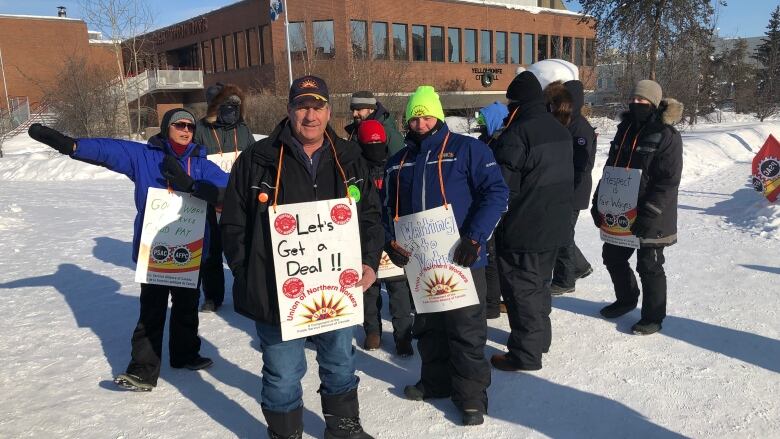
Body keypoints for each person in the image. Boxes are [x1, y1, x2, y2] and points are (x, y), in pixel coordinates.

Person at [220, 75, 382, 439]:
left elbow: (370, 215)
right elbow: (232, 225)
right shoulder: (257, 160)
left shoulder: (349, 158)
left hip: (336, 289)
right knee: (282, 371)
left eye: (318, 106)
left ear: (329, 110)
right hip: (278, 295)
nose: (311, 116)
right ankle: (285, 433)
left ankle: (343, 427)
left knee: (341, 361)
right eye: (302, 106)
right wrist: (250, 274)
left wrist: (369, 260)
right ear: (289, 110)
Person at [27, 108, 229, 391]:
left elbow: (228, 190)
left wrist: (193, 185)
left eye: (190, 126)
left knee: (185, 307)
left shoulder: (202, 164)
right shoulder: (144, 157)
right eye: (179, 125)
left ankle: (185, 354)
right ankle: (143, 370)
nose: (185, 130)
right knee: (152, 310)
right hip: (156, 250)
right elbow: (110, 150)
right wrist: (70, 145)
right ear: (165, 128)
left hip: (190, 249)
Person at [382, 85, 508, 426]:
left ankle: (470, 398)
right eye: (414, 117)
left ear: (437, 116)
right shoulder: (398, 162)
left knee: (466, 330)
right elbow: (385, 209)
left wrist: (475, 237)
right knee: (429, 327)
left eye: (426, 116)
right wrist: (390, 241)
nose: (420, 123)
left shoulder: (469, 149)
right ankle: (436, 382)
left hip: (463, 258)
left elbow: (496, 192)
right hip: (421, 263)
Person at [489, 71, 573, 372]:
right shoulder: (560, 129)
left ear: (517, 104)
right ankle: (540, 340)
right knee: (539, 285)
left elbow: (502, 186)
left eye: (510, 104)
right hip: (554, 223)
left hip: (524, 225)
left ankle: (525, 353)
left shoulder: (517, 134)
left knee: (521, 289)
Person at [591, 79, 683, 336]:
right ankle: (626, 298)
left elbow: (668, 180)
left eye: (643, 100)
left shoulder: (667, 135)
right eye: (634, 99)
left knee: (649, 265)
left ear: (654, 103)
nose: (637, 104)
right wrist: (599, 200)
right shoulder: (624, 129)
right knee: (612, 257)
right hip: (619, 209)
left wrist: (649, 212)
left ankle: (653, 316)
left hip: (651, 214)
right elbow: (611, 169)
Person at [192, 82, 255, 313]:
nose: (232, 110)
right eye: (227, 106)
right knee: (211, 250)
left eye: (235, 106)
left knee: (244, 247)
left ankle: (249, 292)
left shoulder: (243, 129)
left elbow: (253, 157)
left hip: (239, 197)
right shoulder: (201, 129)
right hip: (210, 198)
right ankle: (213, 296)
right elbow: (193, 158)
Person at [355, 119, 414, 356]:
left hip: (394, 234)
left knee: (398, 288)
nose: (374, 148)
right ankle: (373, 331)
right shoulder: (356, 168)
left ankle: (403, 335)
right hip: (366, 235)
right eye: (369, 144)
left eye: (378, 143)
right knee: (370, 288)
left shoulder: (395, 166)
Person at [545, 80, 597, 296]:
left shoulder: (580, 127)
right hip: (565, 188)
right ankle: (580, 266)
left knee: (563, 235)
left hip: (574, 191)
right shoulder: (565, 122)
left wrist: (566, 189)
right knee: (562, 232)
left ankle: (565, 280)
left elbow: (583, 165)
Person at [475, 101, 510, 319]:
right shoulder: (485, 141)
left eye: (484, 121)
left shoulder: (502, 143)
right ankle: (493, 299)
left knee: (492, 255)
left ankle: (491, 303)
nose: (480, 125)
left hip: (497, 204)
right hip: (484, 199)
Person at [344, 91, 405, 156]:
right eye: (353, 110)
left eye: (358, 109)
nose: (354, 114)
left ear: (371, 109)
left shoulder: (389, 132)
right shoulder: (355, 131)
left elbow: (397, 163)